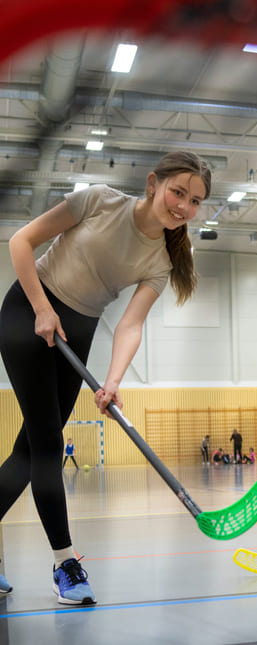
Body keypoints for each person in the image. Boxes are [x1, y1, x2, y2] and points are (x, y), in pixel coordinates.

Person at [0, 150, 211, 603]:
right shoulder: (98, 200)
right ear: (154, 183)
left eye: (195, 201)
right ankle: (65, 564)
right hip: (28, 313)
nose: (183, 207)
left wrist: (113, 381)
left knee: (28, 449)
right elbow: (21, 241)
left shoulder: (161, 261)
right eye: (178, 192)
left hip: (77, 334)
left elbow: (130, 325)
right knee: (48, 445)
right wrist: (41, 308)